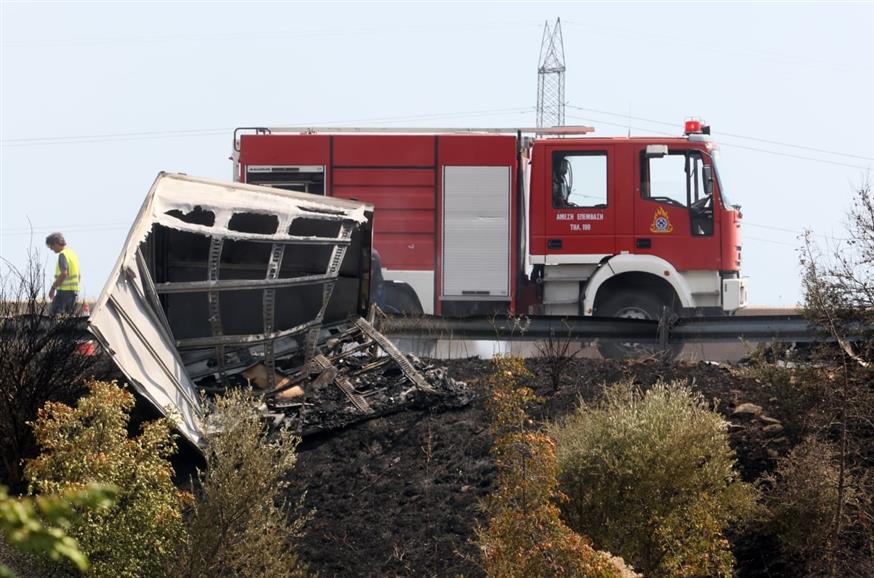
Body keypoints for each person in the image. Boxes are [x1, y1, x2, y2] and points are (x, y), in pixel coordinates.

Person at [45, 232, 80, 316]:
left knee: (54, 316)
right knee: (69, 319)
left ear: (56, 243)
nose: (51, 249)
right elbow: (79, 275)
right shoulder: (72, 254)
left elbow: (64, 274)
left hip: (64, 293)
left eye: (51, 246)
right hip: (74, 293)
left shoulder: (62, 255)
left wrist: (53, 288)